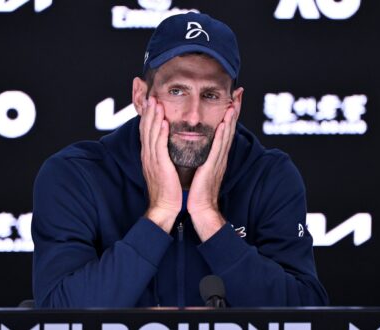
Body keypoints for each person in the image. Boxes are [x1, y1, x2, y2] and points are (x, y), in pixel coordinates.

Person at [32, 12, 328, 308]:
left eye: (210, 95)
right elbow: (58, 317)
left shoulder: (269, 175)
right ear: (140, 96)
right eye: (177, 91)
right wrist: (160, 213)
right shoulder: (76, 176)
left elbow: (307, 314)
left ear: (234, 103)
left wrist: (209, 218)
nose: (193, 117)